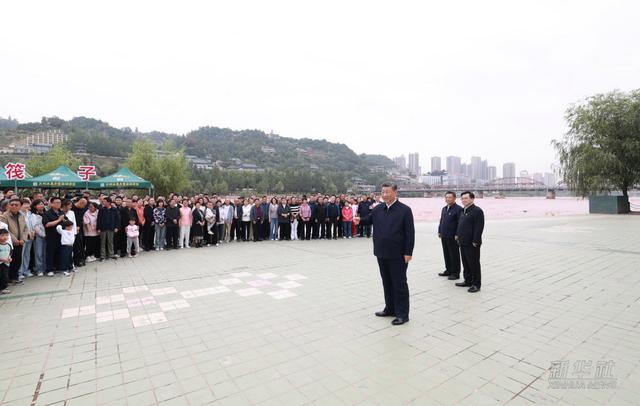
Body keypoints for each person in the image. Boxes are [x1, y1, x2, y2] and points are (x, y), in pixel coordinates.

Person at [355, 182, 415, 326]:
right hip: (381, 252)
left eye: (388, 192)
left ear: (395, 193)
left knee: (399, 284)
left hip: (398, 254)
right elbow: (369, 220)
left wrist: (408, 252)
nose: (385, 194)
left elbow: (410, 233)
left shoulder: (405, 210)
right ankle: (389, 309)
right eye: (383, 192)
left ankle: (402, 314)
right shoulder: (378, 208)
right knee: (386, 282)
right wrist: (359, 220)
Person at [455, 191, 485, 293]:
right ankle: (467, 280)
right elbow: (460, 225)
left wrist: (475, 241)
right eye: (462, 198)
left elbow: (479, 227)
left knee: (474, 264)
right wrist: (458, 236)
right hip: (462, 242)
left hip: (472, 243)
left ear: (472, 199)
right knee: (466, 263)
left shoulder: (477, 211)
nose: (464, 200)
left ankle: (476, 284)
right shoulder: (463, 210)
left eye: (466, 198)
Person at [0, 197, 28, 284]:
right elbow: (5, 230)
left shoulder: (21, 215)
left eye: (16, 205)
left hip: (20, 242)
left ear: (20, 206)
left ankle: (15, 277)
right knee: (9, 261)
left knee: (18, 260)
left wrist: (23, 239)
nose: (14, 206)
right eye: (12, 204)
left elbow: (25, 228)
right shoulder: (4, 216)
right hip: (9, 242)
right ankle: (7, 280)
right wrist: (15, 240)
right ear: (8, 206)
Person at [437, 191, 463, 280]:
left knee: (454, 254)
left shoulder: (458, 209)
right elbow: (441, 221)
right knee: (446, 253)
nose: (447, 199)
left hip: (453, 236)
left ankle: (455, 273)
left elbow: (460, 223)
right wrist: (439, 231)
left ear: (454, 198)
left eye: (450, 197)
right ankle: (448, 270)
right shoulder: (444, 208)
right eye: (446, 197)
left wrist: (457, 234)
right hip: (444, 235)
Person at [19, 198, 35, 279]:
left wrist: (32, 232)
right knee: (21, 255)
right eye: (24, 204)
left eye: (27, 204)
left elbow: (32, 224)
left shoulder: (29, 213)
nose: (26, 206)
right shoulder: (19, 214)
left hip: (30, 236)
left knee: (27, 255)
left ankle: (26, 270)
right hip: (22, 237)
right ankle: (20, 272)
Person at [31, 200, 47, 276]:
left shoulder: (46, 213)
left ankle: (44, 268)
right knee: (38, 253)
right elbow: (35, 226)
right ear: (35, 206)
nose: (41, 206)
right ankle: (39, 269)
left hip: (47, 235)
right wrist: (43, 234)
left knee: (45, 253)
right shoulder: (33, 215)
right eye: (39, 204)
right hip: (39, 236)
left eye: (42, 204)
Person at [0, 229, 12, 294]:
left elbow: (10, 253)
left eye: (6, 235)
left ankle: (4, 288)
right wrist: (2, 259)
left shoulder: (8, 245)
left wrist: (10, 258)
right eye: (2, 235)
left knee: (5, 276)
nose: (5, 237)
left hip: (6, 264)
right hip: (1, 263)